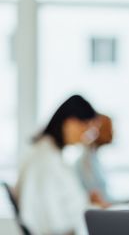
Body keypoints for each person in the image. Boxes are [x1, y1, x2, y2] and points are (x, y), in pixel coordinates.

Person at [16, 95, 100, 235]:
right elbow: (52, 223)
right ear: (70, 123)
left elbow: (63, 203)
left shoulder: (50, 154)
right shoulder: (45, 160)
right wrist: (94, 209)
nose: (86, 136)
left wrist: (89, 202)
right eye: (86, 128)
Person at [76, 114, 113, 209]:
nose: (112, 133)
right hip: (101, 210)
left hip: (108, 205)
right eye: (109, 129)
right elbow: (97, 199)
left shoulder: (94, 158)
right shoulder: (86, 161)